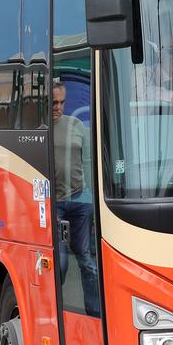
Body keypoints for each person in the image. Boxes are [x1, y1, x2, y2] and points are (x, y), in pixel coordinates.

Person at [51, 81, 100, 316]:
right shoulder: (42, 130)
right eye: (53, 103)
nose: (58, 107)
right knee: (60, 263)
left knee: (86, 261)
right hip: (55, 205)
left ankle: (94, 314)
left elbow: (89, 162)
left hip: (80, 201)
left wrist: (91, 200)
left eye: (61, 102)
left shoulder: (77, 126)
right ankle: (56, 310)